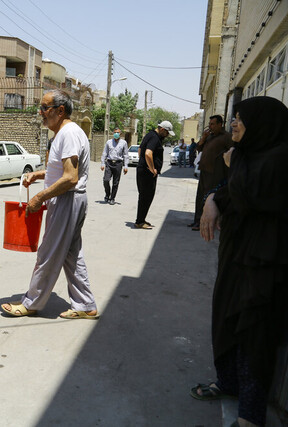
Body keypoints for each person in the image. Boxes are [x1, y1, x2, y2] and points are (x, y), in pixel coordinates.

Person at [192, 96, 288, 427]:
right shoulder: (247, 155)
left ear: (261, 125)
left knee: (254, 334)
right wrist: (212, 201)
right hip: (236, 258)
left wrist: (234, 168)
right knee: (226, 321)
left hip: (263, 264)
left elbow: (253, 194)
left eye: (240, 119)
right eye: (233, 118)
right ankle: (228, 381)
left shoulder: (279, 159)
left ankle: (250, 414)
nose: (234, 123)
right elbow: (228, 191)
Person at [0, 90, 98, 320]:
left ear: (60, 110)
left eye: (45, 108)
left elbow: (70, 177)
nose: (41, 112)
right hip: (70, 199)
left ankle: (31, 303)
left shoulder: (69, 134)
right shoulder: (66, 133)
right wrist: (40, 174)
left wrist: (39, 197)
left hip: (67, 199)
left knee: (48, 253)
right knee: (71, 255)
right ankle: (85, 305)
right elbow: (63, 171)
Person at [188, 115, 232, 231]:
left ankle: (208, 223)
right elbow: (198, 148)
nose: (210, 126)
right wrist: (203, 138)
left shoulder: (226, 137)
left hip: (216, 173)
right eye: (210, 124)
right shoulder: (209, 136)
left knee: (209, 198)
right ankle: (197, 221)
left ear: (220, 124)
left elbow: (233, 153)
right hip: (204, 171)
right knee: (200, 197)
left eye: (213, 124)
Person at [134, 121, 174, 229]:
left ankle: (141, 219)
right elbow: (148, 153)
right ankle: (140, 221)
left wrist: (142, 163)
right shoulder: (154, 138)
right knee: (146, 197)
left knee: (144, 197)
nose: (167, 135)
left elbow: (140, 150)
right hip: (147, 173)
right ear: (162, 129)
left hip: (142, 170)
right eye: (167, 133)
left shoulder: (149, 135)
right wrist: (151, 169)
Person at [100, 127, 129, 205]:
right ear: (113, 133)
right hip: (109, 163)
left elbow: (126, 155)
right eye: (115, 132)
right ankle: (107, 194)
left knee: (115, 183)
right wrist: (102, 163)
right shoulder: (109, 142)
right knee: (106, 180)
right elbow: (105, 153)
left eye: (118, 132)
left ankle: (112, 198)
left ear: (120, 134)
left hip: (118, 164)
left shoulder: (124, 143)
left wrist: (126, 166)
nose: (116, 134)